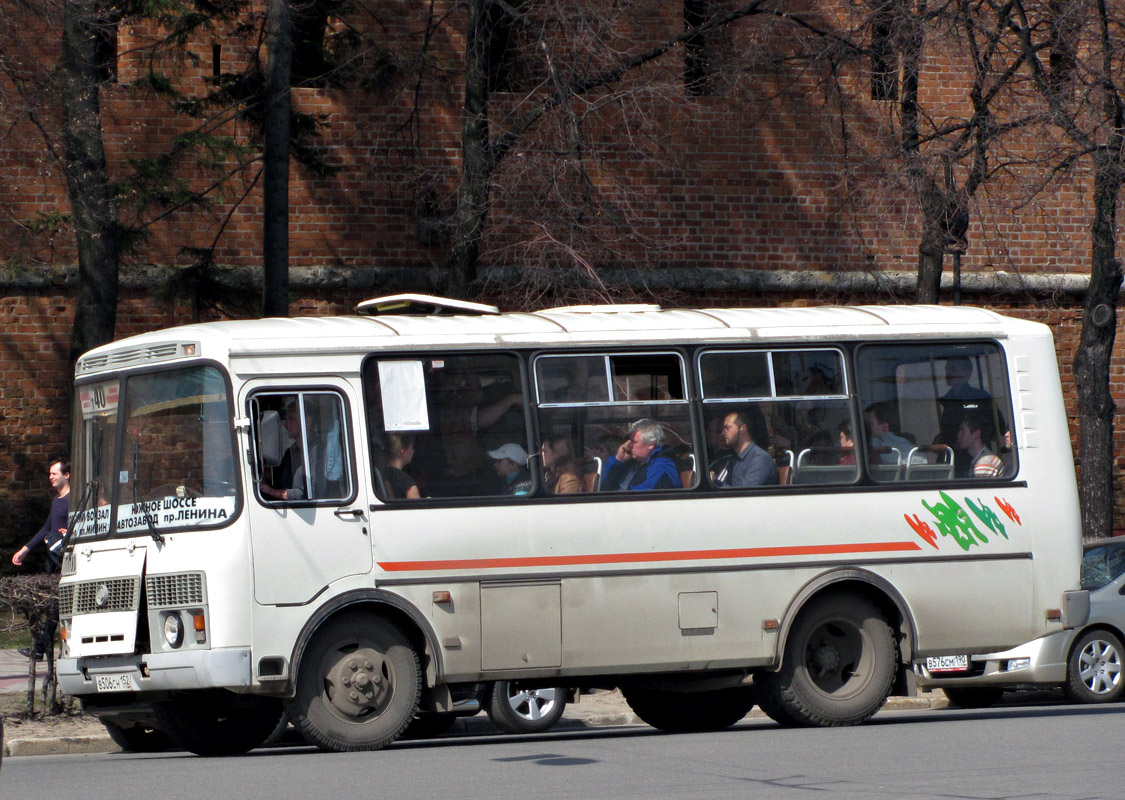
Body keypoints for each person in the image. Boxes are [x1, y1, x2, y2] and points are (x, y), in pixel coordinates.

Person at [11, 458, 69, 661]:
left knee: (56, 605)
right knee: (53, 604)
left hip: (66, 562)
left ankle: (41, 648)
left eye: (54, 473)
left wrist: (68, 533)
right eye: (50, 473)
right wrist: (25, 549)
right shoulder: (57, 501)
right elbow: (47, 528)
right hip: (52, 561)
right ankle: (41, 648)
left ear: (66, 475)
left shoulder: (73, 501)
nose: (50, 477)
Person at [601, 419, 682, 491]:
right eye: (629, 441)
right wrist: (618, 460)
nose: (628, 445)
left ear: (651, 445)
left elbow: (642, 497)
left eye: (634, 442)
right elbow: (602, 488)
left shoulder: (662, 467)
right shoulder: (632, 463)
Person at [713, 411, 778, 488]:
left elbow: (745, 494)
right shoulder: (733, 459)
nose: (723, 433)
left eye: (727, 428)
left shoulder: (760, 459)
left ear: (743, 428)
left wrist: (715, 482)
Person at [956, 412, 1005, 478]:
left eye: (962, 430)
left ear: (976, 434)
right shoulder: (980, 460)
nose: (958, 435)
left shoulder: (985, 463)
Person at [383, 433, 421, 499]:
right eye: (411, 448)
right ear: (403, 452)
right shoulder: (406, 482)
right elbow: (417, 508)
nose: (413, 451)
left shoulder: (382, 473)